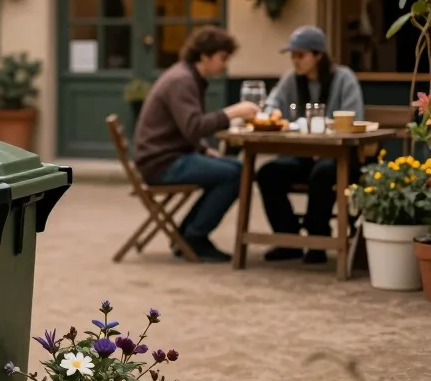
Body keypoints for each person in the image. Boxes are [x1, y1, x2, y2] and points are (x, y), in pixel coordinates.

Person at [133, 26, 259, 262]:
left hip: (166, 156)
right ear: (205, 56)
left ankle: (189, 234)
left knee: (232, 168)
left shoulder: (187, 76)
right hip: (162, 163)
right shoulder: (182, 80)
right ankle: (194, 237)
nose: (225, 64)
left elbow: (183, 128)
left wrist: (203, 150)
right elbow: (194, 126)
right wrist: (232, 112)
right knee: (238, 173)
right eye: (222, 58)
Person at [256, 25, 364, 264]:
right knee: (268, 173)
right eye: (292, 55)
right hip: (303, 152)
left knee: (323, 173)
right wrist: (270, 114)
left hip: (340, 157)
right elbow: (272, 105)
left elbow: (354, 117)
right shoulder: (290, 80)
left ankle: (318, 239)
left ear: (318, 55)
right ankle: (288, 238)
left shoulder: (344, 78)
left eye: (301, 55)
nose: (295, 61)